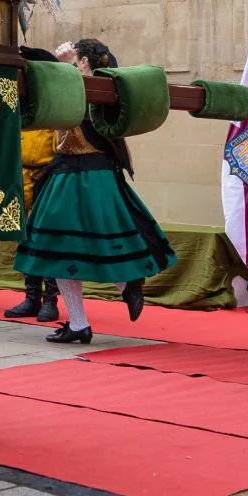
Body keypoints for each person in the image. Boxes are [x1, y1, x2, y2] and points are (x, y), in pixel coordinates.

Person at [13, 38, 176, 343]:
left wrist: (63, 65)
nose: (73, 65)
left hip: (87, 175)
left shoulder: (100, 90)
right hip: (70, 173)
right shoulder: (81, 83)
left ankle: (123, 287)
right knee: (58, 250)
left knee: (70, 245)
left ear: (85, 62)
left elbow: (75, 98)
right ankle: (85, 317)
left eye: (77, 60)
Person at [5, 44, 70, 323]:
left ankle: (50, 300)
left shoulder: (53, 97)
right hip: (21, 174)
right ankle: (31, 297)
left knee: (48, 239)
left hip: (47, 172)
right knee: (26, 237)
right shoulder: (17, 96)